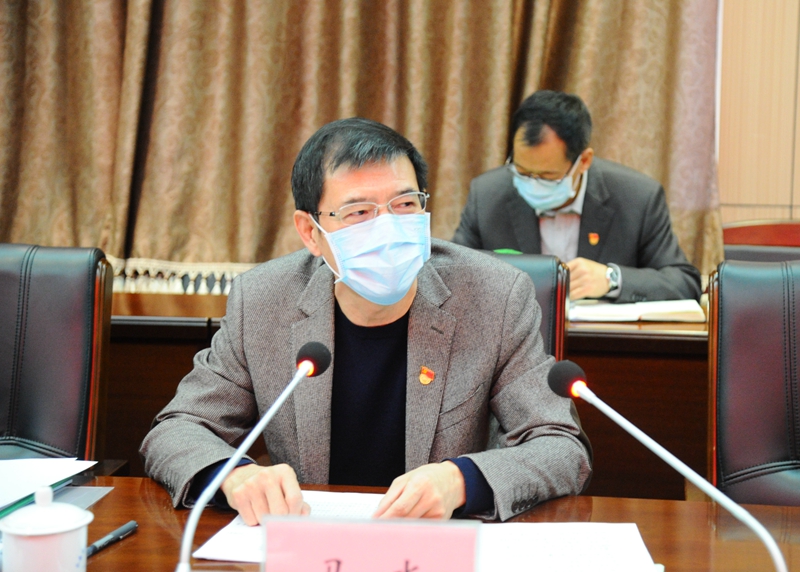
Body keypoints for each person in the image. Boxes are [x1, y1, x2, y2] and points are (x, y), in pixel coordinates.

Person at [140, 117, 591, 524]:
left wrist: (462, 480)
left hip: (435, 549)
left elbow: (560, 445)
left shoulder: (494, 296)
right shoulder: (262, 301)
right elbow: (178, 430)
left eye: (405, 204)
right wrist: (232, 475)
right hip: (312, 547)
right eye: (359, 212)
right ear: (311, 232)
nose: (387, 228)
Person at [452, 90, 702, 303]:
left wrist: (611, 280)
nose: (532, 184)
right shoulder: (487, 195)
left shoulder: (638, 198)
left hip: (602, 341)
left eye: (548, 176)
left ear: (584, 161)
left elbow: (685, 283)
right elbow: (451, 274)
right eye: (522, 172)